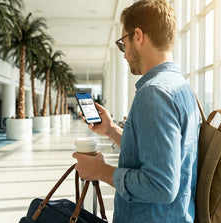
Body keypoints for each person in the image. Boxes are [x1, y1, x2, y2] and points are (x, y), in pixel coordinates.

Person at [73, 1, 201, 222]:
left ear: (138, 36)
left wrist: (100, 170)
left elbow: (161, 186)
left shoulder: (154, 94)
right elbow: (158, 155)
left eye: (124, 43)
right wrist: (112, 130)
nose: (124, 54)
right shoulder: (181, 87)